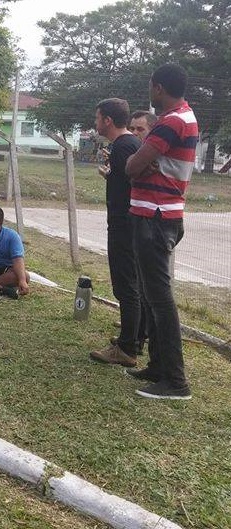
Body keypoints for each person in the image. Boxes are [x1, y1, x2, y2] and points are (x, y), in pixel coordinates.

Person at [124, 64, 198, 400]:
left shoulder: (171, 122)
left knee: (160, 299)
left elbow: (131, 167)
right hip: (159, 215)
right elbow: (142, 164)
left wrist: (141, 162)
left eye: (151, 87)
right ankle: (157, 366)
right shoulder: (184, 117)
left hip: (156, 216)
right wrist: (145, 162)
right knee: (153, 296)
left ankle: (175, 380)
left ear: (158, 88)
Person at [88, 99, 143, 368]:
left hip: (125, 225)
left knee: (126, 285)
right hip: (128, 223)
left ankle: (127, 348)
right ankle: (133, 338)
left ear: (108, 120)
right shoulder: (128, 145)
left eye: (98, 118)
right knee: (130, 284)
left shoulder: (124, 146)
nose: (96, 122)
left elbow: (137, 185)